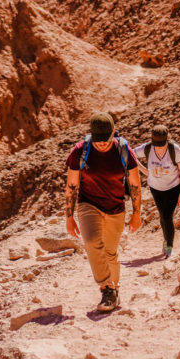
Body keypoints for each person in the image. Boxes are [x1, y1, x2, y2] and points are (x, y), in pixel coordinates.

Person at [65, 112, 141, 312]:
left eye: (105, 141)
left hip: (116, 207)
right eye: (97, 142)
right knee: (91, 243)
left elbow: (135, 183)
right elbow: (72, 185)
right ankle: (107, 289)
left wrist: (137, 213)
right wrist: (69, 217)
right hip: (88, 203)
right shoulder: (79, 152)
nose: (101, 145)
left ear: (113, 134)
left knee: (110, 252)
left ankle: (114, 291)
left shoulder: (124, 150)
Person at [134, 124, 180, 257]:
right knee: (162, 215)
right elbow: (130, 154)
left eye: (161, 144)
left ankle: (169, 246)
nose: (158, 147)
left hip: (173, 187)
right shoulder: (147, 148)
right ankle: (166, 240)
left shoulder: (174, 149)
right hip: (155, 188)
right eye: (156, 144)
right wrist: (145, 171)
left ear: (167, 140)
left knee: (167, 216)